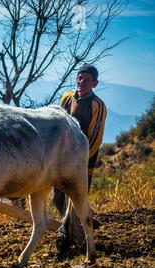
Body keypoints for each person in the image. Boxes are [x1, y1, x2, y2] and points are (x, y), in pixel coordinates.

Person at [54, 64, 107, 254]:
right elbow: (58, 123)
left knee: (76, 200)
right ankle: (82, 225)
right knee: (58, 199)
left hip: (83, 163)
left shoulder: (97, 105)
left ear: (95, 83)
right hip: (61, 160)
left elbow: (95, 137)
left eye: (86, 79)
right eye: (79, 77)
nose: (81, 81)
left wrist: (81, 161)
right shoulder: (67, 98)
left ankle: (79, 240)